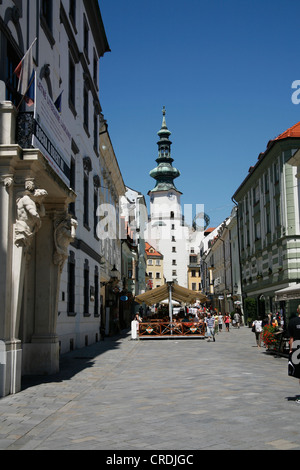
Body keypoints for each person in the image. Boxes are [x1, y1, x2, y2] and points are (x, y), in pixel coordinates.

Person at [288, 306, 300, 402]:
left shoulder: (292, 321)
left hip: (297, 347)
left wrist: (291, 349)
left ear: (297, 310)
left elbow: (291, 337)